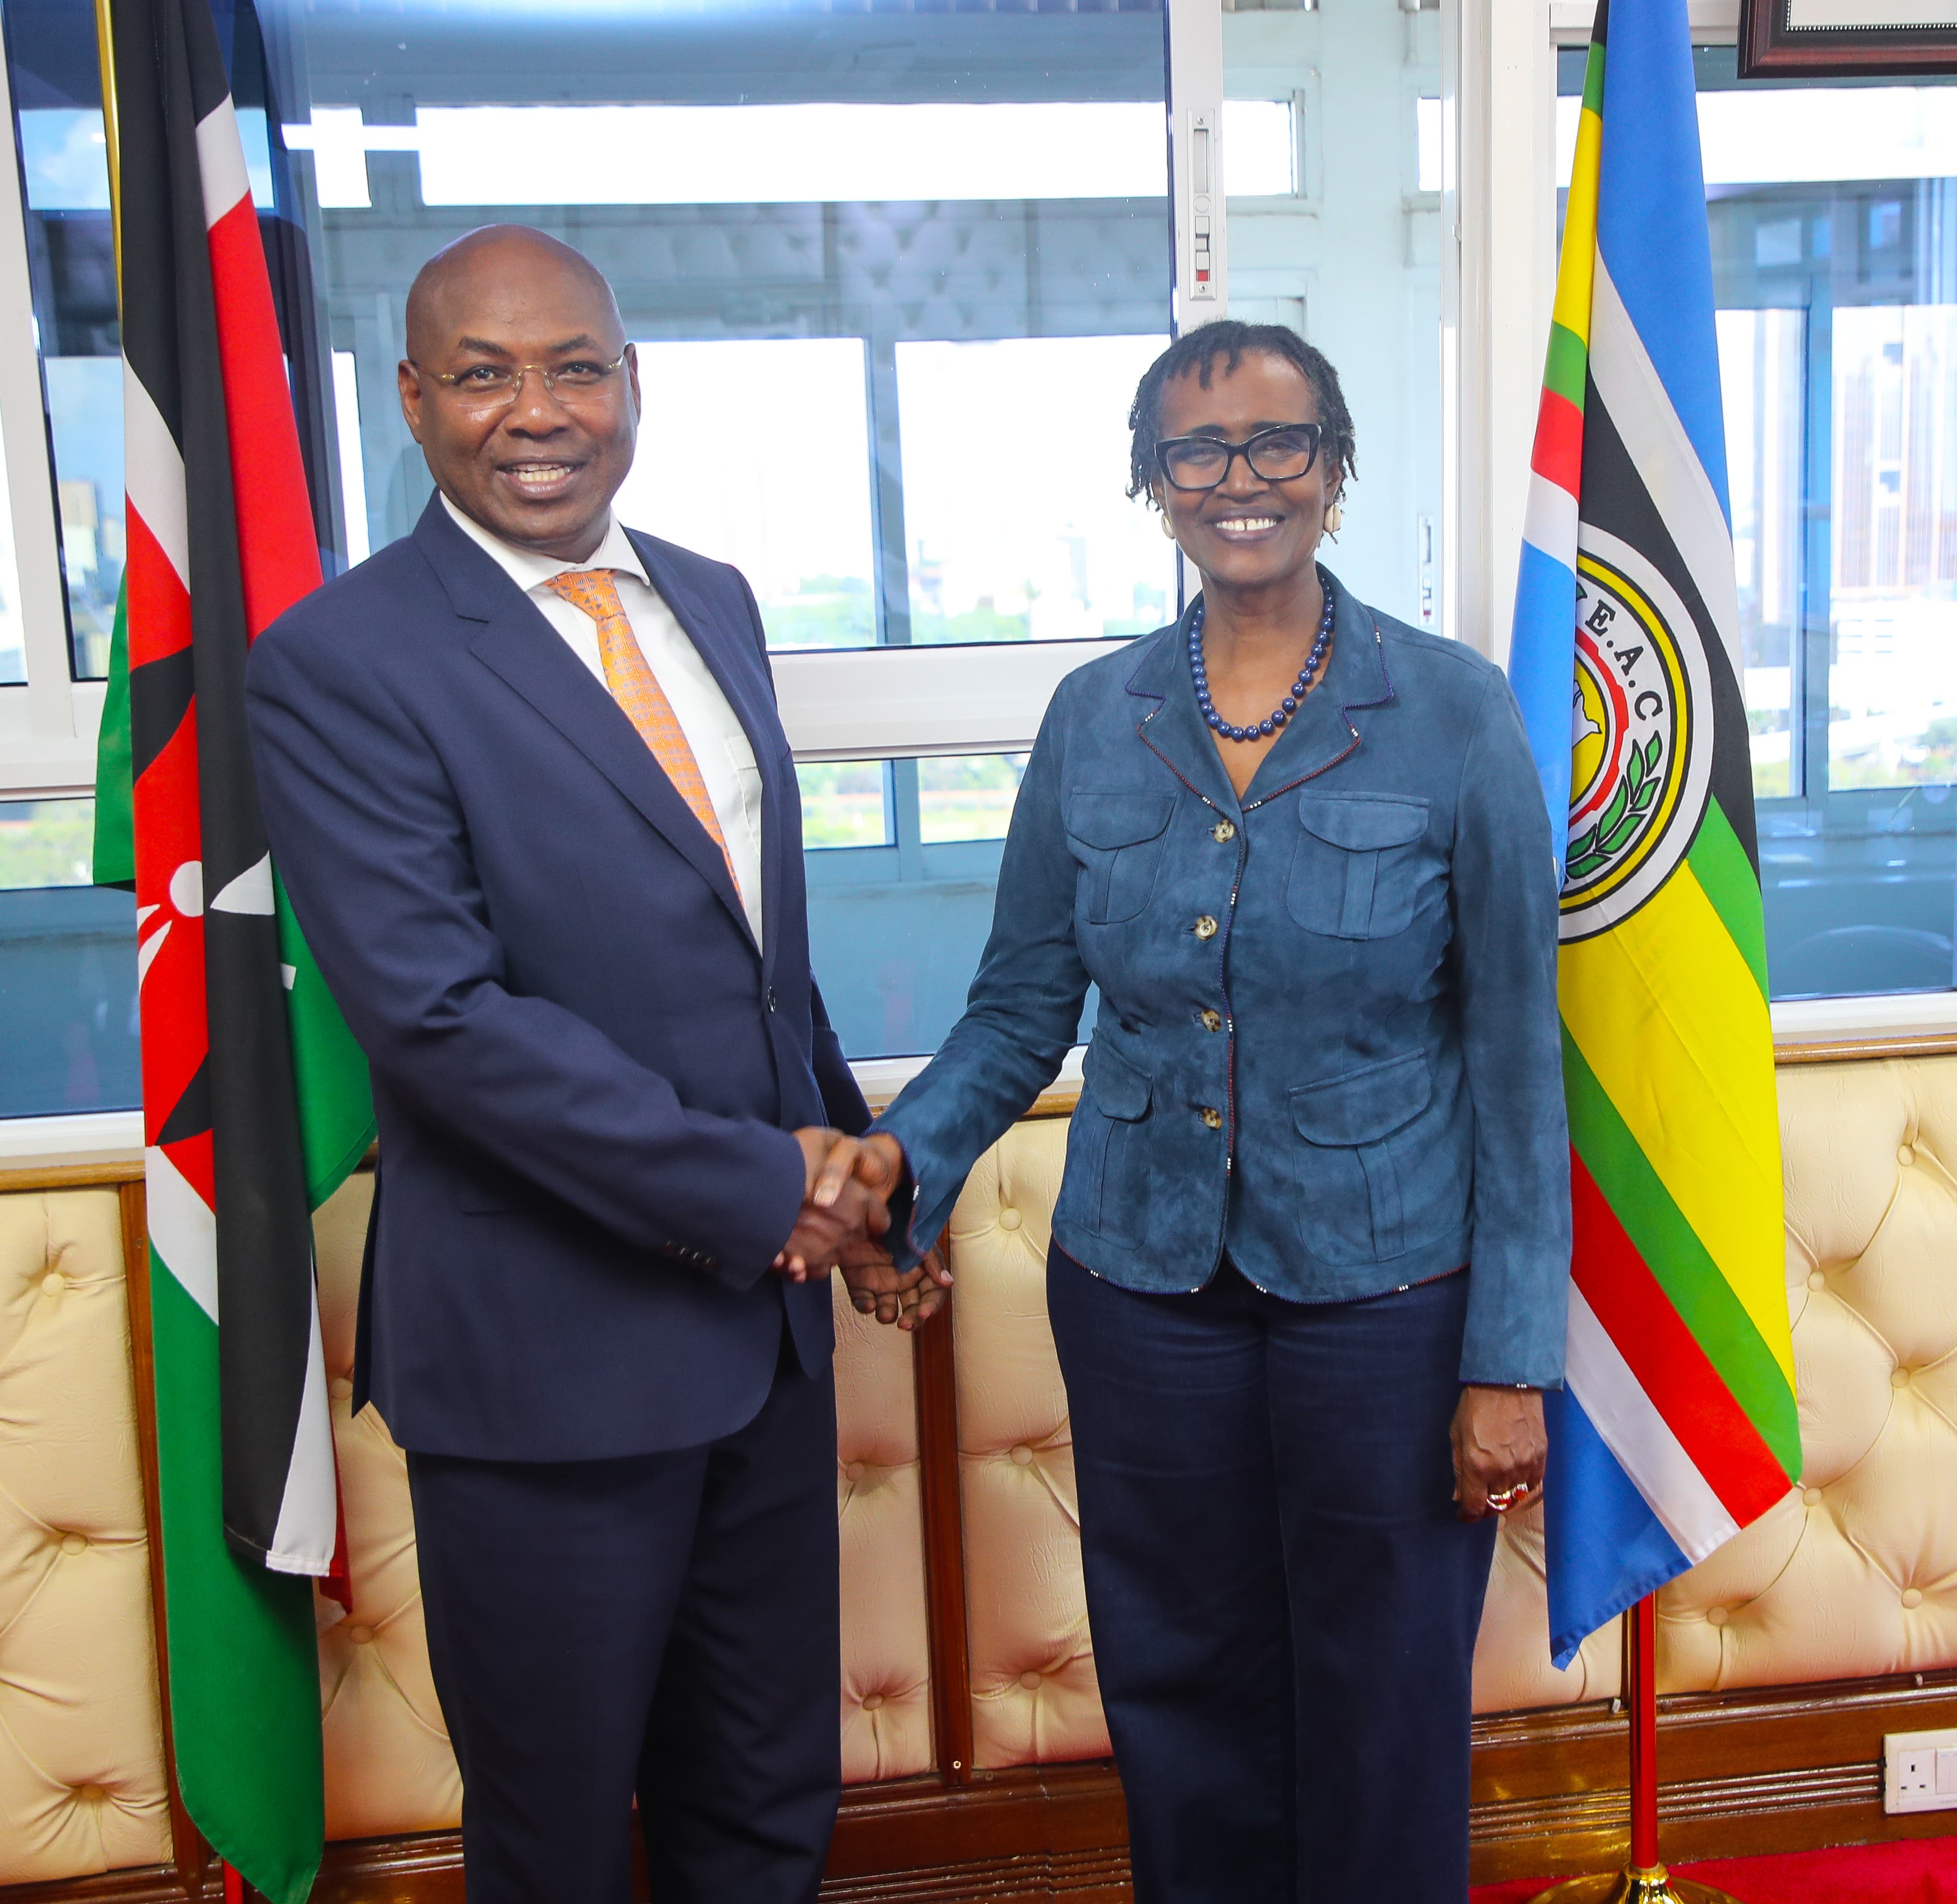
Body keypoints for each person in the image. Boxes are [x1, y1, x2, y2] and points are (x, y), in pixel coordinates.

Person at [814, 322, 1570, 1900]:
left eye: (1279, 444)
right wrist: (908, 1161)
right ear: (1152, 487)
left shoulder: (1452, 713)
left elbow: (1514, 1056)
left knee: (1381, 1696)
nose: (1242, 481)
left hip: (1389, 1295)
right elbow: (1024, 1002)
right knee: (1178, 1682)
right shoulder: (1098, 717)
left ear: (1337, 473)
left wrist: (1510, 1360)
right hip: (1142, 1290)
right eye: (1198, 452)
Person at [246, 224, 943, 1904]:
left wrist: (857, 1187)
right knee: (557, 1839)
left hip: (758, 1338)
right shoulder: (342, 662)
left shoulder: (709, 597)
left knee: (767, 1801)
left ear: (634, 385)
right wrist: (762, 1185)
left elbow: (747, 960)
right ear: (411, 401)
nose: (536, 410)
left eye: (573, 367)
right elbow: (440, 1020)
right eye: (484, 374)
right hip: (546, 1361)